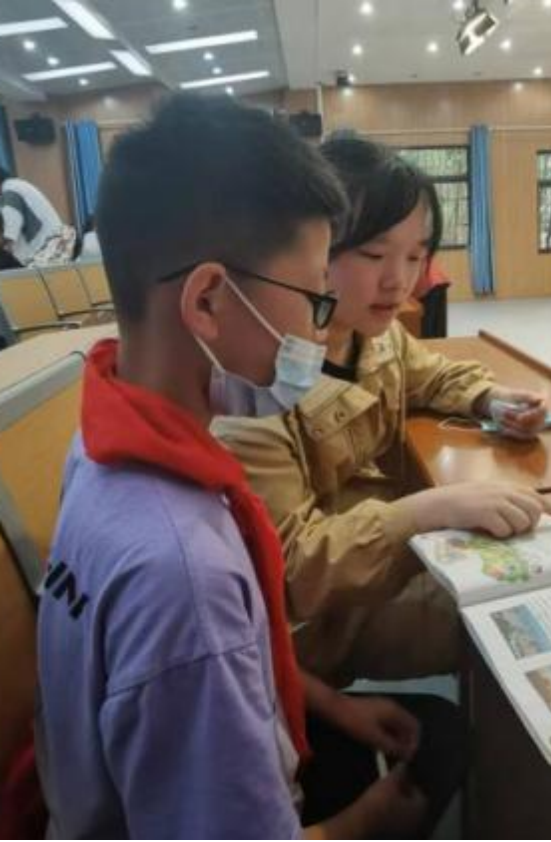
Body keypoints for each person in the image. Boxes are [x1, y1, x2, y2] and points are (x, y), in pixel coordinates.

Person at [32, 95, 463, 840]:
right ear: (207, 300)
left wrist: (331, 705)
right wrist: (364, 823)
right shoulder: (184, 572)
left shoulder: (98, 443)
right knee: (446, 738)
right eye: (314, 300)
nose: (320, 332)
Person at [215, 136, 551, 686]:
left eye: (415, 256)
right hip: (326, 622)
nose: (399, 280)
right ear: (314, 248)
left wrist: (492, 398)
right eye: (374, 254)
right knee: (516, 613)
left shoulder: (375, 334)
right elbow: (293, 570)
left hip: (382, 558)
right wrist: (431, 510)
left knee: (540, 567)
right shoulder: (258, 384)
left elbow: (430, 373)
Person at [0, 166, 75, 266]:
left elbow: (9, 236)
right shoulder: (17, 186)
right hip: (55, 247)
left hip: (47, 253)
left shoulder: (10, 193)